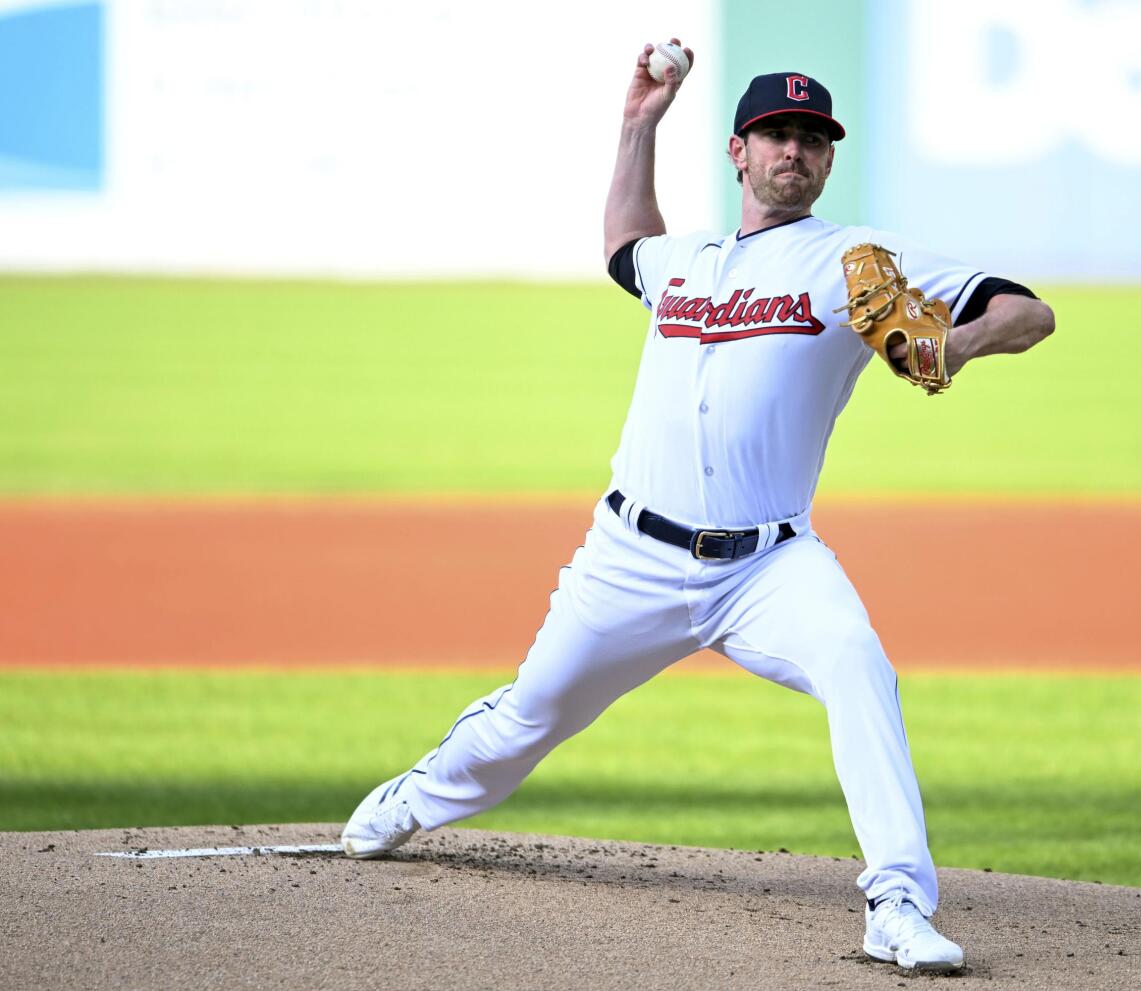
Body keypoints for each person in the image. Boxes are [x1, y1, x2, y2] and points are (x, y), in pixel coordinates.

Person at [341, 41, 1055, 973]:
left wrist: (955, 346)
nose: (793, 151)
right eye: (775, 135)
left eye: (810, 137)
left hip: (769, 565)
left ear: (829, 159)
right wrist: (640, 125)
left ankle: (896, 902)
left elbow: (1028, 313)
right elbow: (623, 248)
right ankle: (423, 793)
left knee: (856, 664)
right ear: (739, 153)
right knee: (532, 712)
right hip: (628, 557)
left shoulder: (855, 260)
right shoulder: (682, 262)